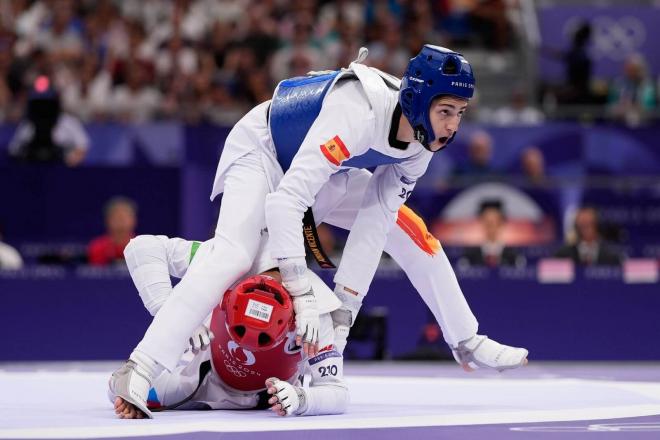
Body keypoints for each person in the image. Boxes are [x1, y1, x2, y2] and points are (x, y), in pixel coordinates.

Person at [110, 45, 528, 418]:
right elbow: (284, 201)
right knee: (234, 254)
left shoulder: (420, 144)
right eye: (445, 112)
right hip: (265, 152)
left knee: (412, 231)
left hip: (332, 174)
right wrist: (304, 295)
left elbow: (375, 222)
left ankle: (466, 339)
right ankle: (141, 366)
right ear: (417, 101)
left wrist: (344, 312)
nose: (454, 126)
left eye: (460, 113)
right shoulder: (358, 113)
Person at [111, 234, 346, 419]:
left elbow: (336, 393)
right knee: (120, 391)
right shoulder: (223, 262)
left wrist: (301, 399)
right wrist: (175, 317)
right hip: (204, 381)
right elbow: (141, 247)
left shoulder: (319, 312)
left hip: (268, 396)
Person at [8, 75, 89, 166]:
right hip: (33, 173)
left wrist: (71, 159)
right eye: (39, 104)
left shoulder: (70, 122)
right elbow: (14, 150)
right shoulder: (28, 124)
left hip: (62, 173)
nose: (44, 108)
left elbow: (83, 146)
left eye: (48, 104)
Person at [460, 200, 523, 268]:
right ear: (482, 223)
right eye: (487, 222)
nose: (491, 227)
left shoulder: (514, 257)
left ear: (501, 223)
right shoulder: (469, 258)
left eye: (494, 222)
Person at [554, 206, 623, 266]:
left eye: (589, 224)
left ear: (597, 225)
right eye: (582, 225)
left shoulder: (612, 256)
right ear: (576, 227)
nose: (586, 229)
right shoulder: (562, 256)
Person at [88, 197, 138, 266]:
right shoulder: (97, 248)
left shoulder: (142, 247)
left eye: (124, 218)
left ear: (133, 220)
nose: (121, 222)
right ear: (107, 221)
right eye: (117, 218)